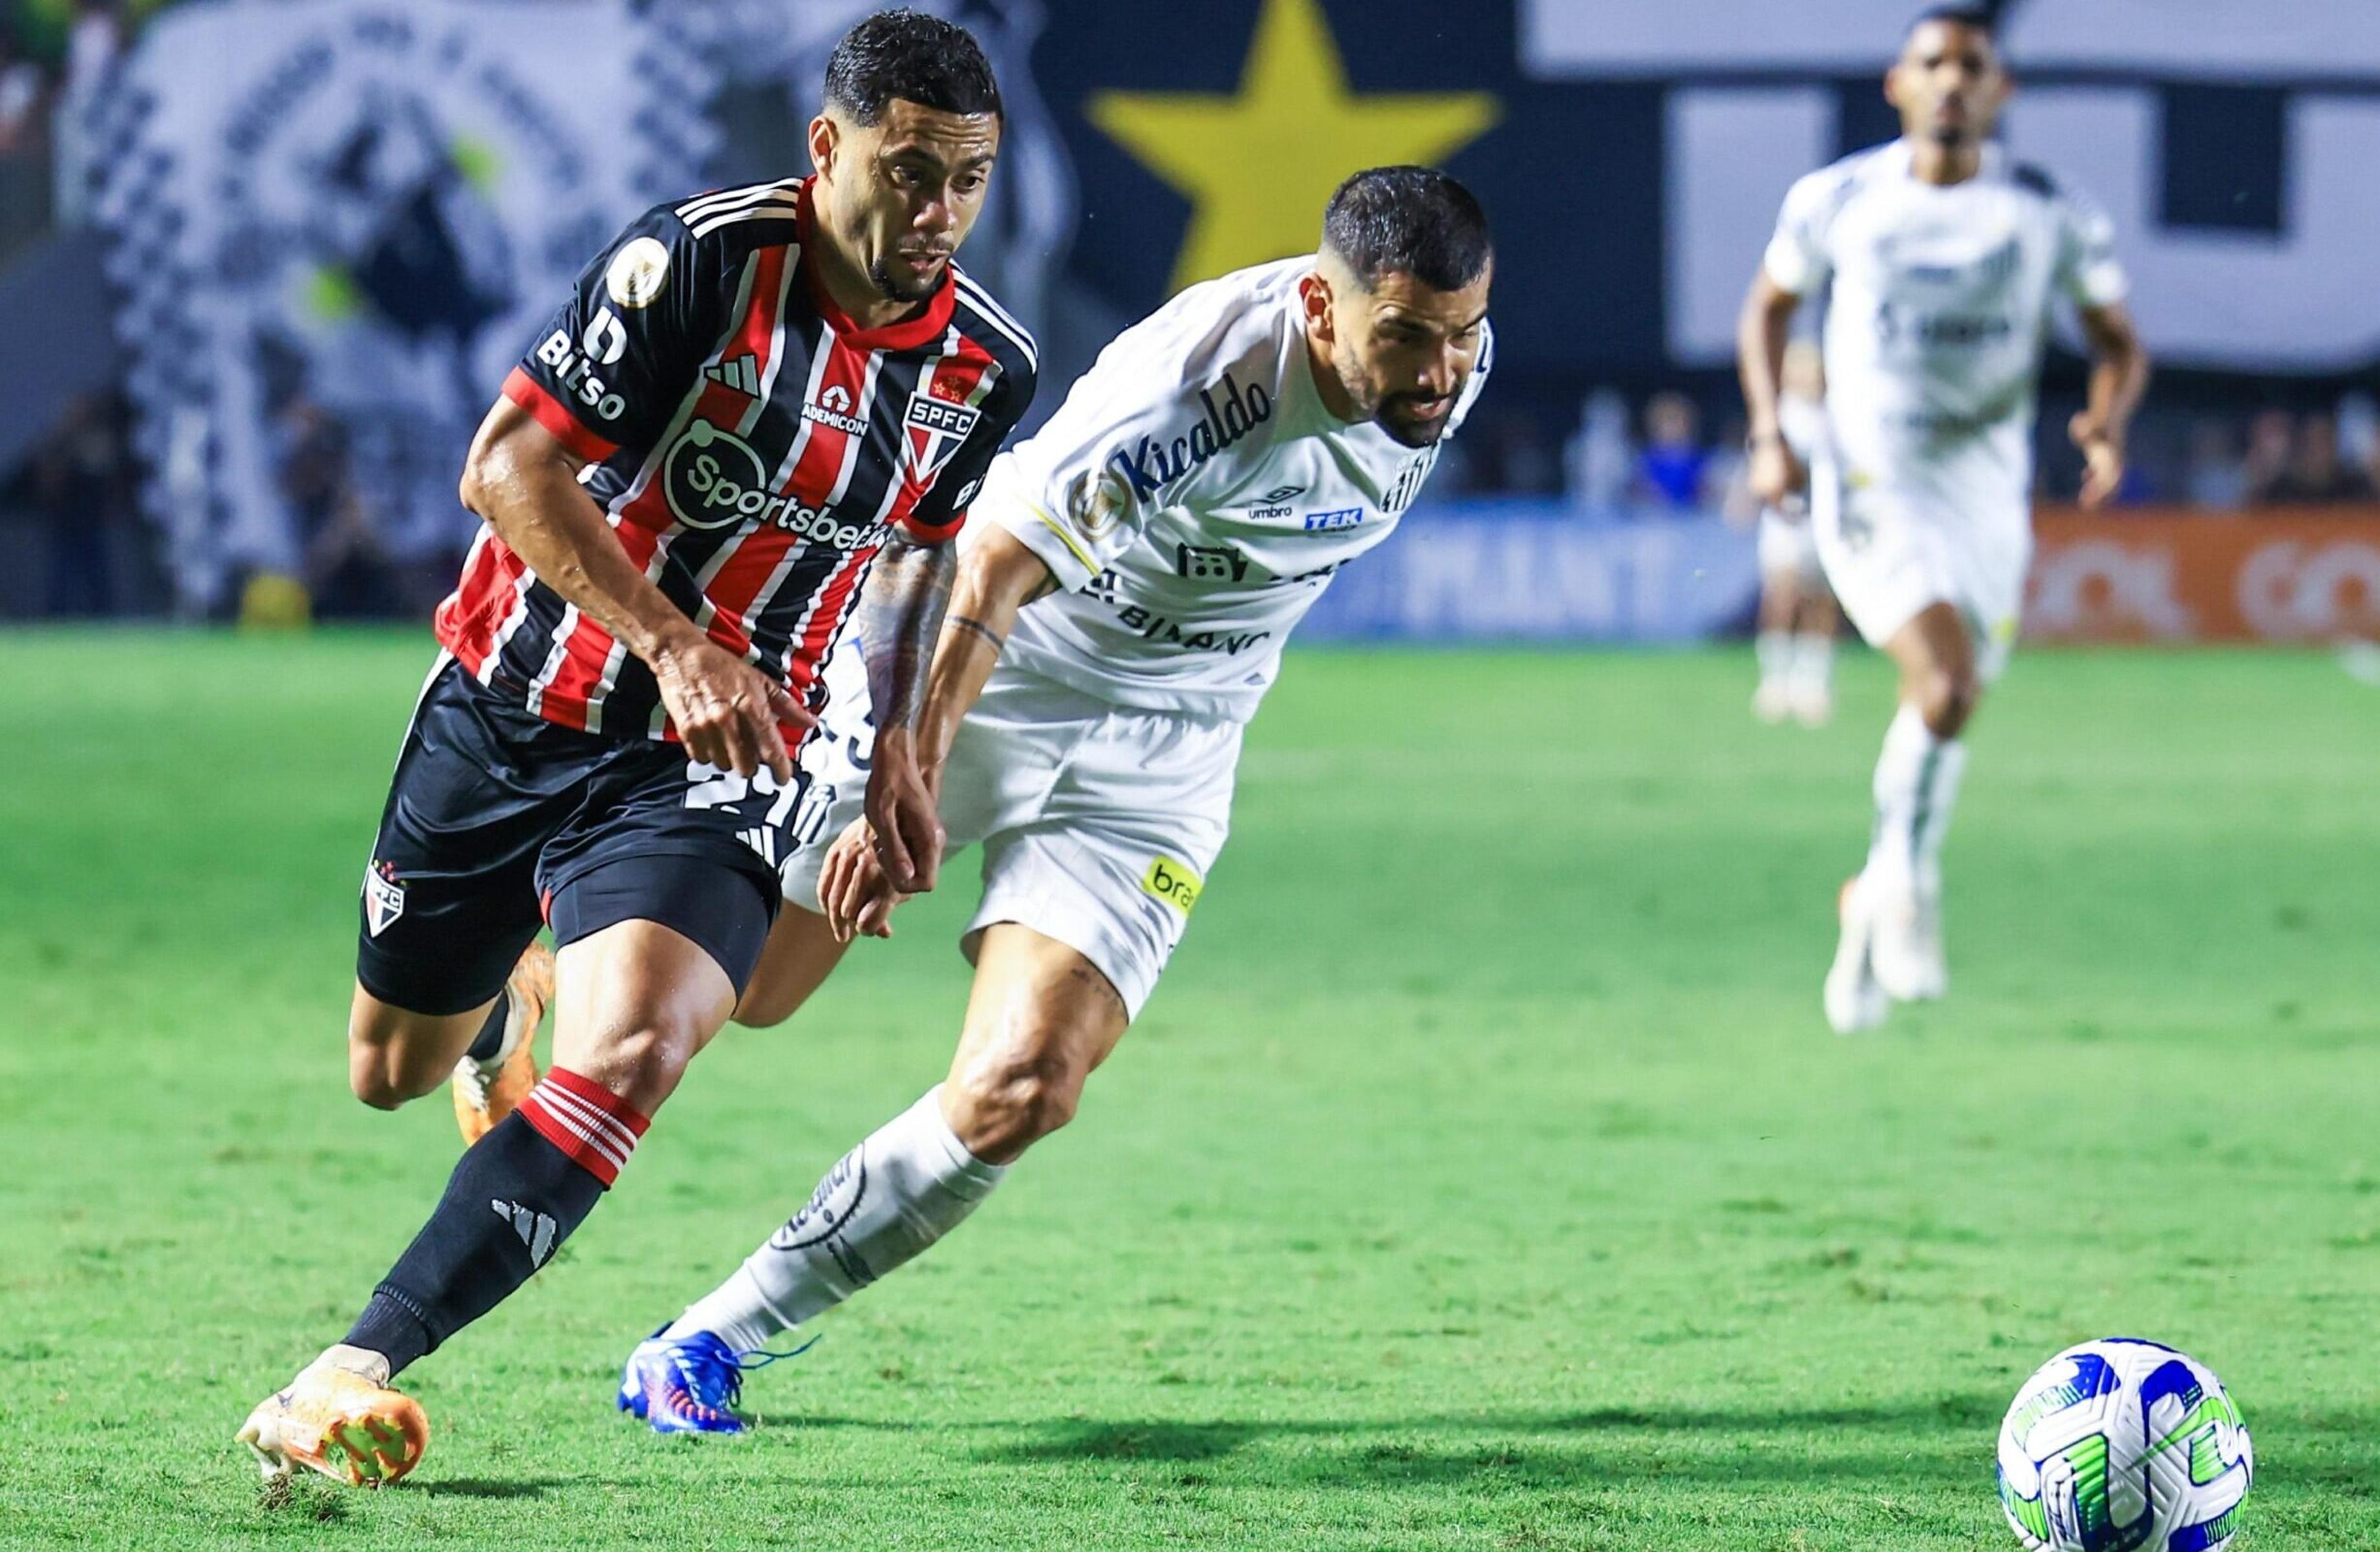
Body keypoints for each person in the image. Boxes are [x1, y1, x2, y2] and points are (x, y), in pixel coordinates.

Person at [235, 10, 1038, 1486]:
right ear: (827, 148)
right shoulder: (700, 260)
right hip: (518, 702)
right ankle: (497, 997)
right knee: (389, 1072)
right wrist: (675, 644)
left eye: (965, 182)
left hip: (720, 753)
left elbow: (928, 565)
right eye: (907, 172)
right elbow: (505, 469)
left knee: (639, 1051)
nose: (934, 214)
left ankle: (349, 1363)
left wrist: (902, 764)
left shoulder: (983, 366)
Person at [608, 166, 1494, 1434]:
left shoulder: (1450, 360)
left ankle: (709, 1340)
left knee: (1028, 1084)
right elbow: (990, 564)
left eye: (1460, 336)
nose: (1436, 373)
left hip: (1174, 742)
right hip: (998, 671)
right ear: (1318, 306)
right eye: (1404, 337)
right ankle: (531, 965)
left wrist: (1438, 344)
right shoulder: (1199, 385)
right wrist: (897, 778)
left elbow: (1429, 365)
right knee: (747, 989)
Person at [1736, 4, 2148, 1034]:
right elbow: (1767, 309)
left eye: (1972, 66)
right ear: (1899, 85)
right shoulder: (1838, 199)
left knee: (1948, 710)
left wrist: (2103, 419)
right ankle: (1911, 883)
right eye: (1934, 65)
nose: (1952, 82)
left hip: (1987, 491)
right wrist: (1768, 429)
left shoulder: (2045, 209)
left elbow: (2118, 342)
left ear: (2001, 90)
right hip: (1875, 478)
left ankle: (1869, 898)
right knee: (1947, 681)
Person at [1748, 339, 1841, 725]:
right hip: (1786, 522)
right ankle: (1775, 679)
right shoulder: (1779, 416)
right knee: (1782, 598)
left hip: (1826, 523)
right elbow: (1760, 469)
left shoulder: (1836, 416)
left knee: (1821, 602)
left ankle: (1813, 682)